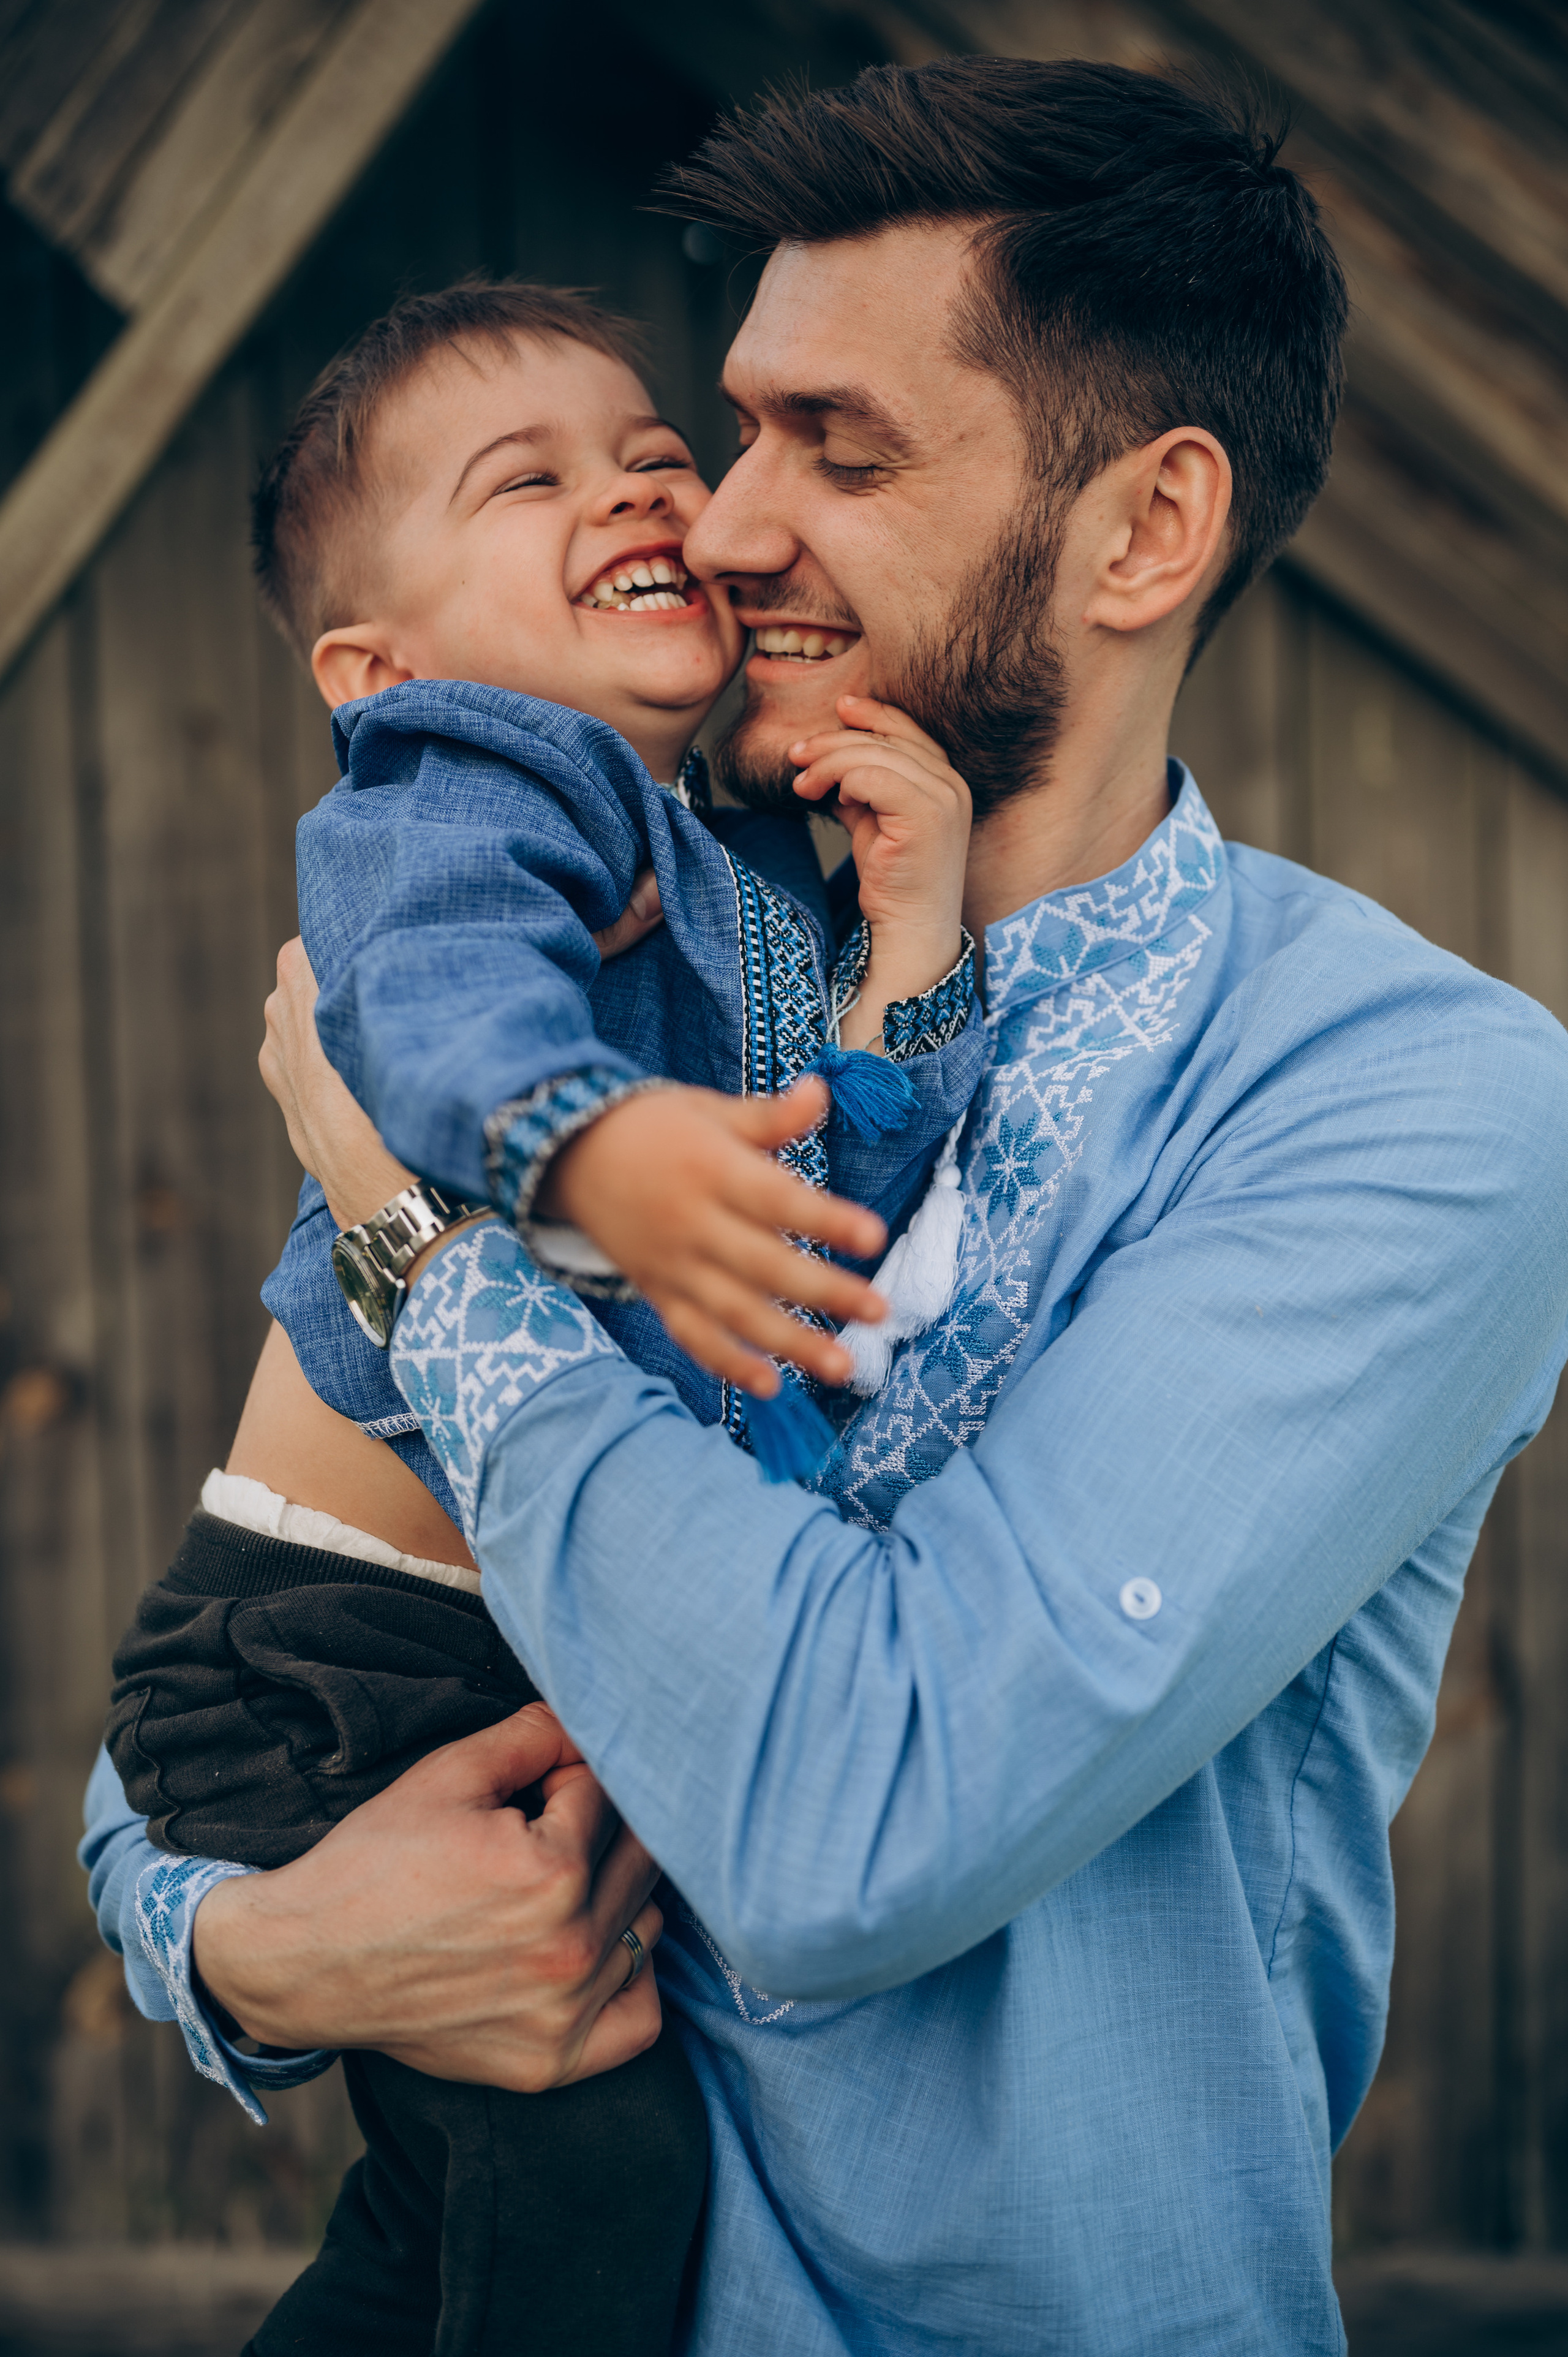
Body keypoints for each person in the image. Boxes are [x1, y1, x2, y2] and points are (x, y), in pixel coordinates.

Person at [83, 56, 1568, 2357]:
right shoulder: (647, 942)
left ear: (1146, 531)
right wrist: (256, 1952)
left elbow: (855, 1820)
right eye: (740, 428)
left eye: (839, 452)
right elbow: (260, 1629)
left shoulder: (1416, 1100)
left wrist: (415, 1238)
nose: (730, 521)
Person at [97, 280, 981, 2356]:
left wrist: (914, 943)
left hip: (479, 1642)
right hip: (327, 1644)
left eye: (653, 453)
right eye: (536, 477)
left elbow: (811, 1228)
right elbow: (424, 1014)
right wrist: (586, 1148)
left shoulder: (734, 869)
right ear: (373, 663)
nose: (638, 489)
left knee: (496, 2220)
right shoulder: (458, 789)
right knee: (572, 2198)